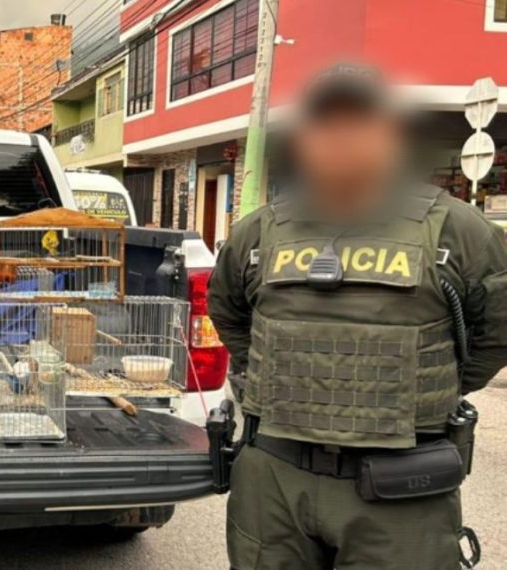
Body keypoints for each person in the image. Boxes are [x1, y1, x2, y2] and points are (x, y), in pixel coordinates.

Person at [209, 64, 507, 570]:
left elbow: (496, 331)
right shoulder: (259, 231)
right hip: (274, 483)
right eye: (327, 125)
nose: (341, 139)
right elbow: (231, 313)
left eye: (360, 123)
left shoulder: (457, 229)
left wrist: (424, 391)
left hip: (401, 486)